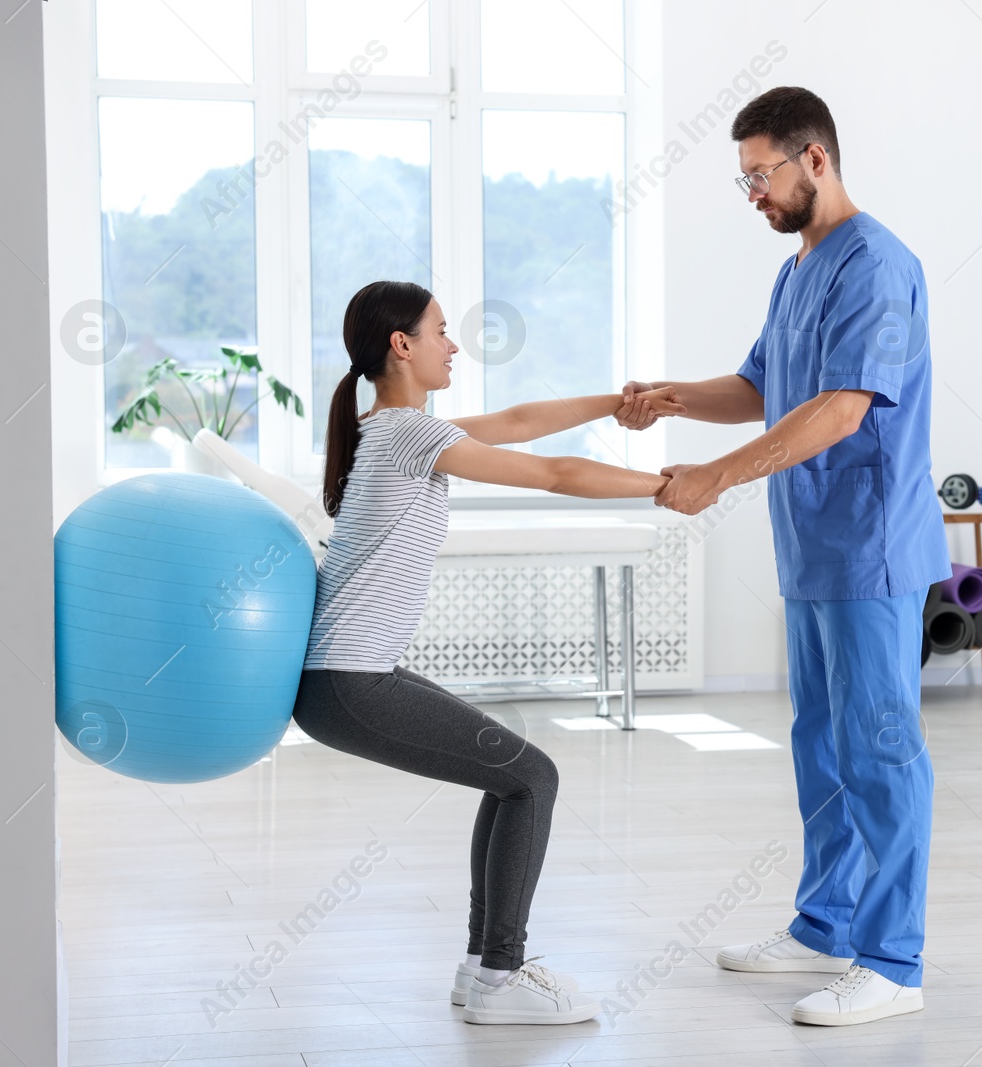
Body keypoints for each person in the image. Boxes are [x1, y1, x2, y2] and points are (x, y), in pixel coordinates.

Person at [617, 86, 948, 1027]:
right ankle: (825, 922)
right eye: (743, 180)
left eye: (762, 174)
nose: (754, 194)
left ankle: (893, 960)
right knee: (821, 743)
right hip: (811, 546)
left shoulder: (878, 265)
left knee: (882, 750)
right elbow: (765, 385)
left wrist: (717, 477)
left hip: (872, 546)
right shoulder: (799, 269)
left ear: (816, 160)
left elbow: (844, 406)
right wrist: (671, 397)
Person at [293, 279, 682, 1026]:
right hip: (348, 681)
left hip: (351, 677)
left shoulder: (391, 426)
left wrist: (617, 401)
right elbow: (555, 472)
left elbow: (519, 420)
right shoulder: (409, 434)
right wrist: (666, 487)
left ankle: (484, 969)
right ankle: (501, 974)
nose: (454, 344)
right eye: (441, 330)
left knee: (514, 778)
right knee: (531, 778)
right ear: (401, 345)